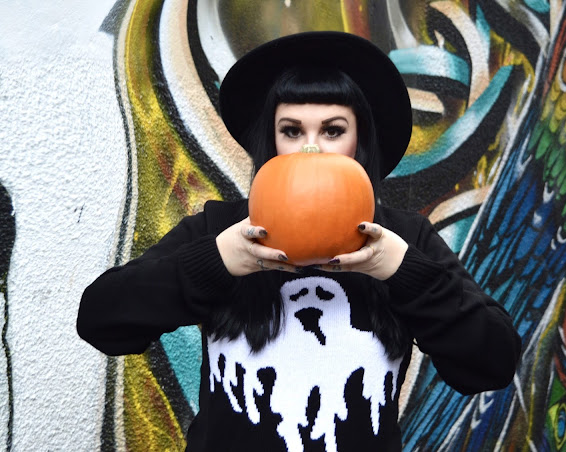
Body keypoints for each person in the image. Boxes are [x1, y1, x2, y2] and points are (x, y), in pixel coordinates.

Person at [77, 31, 521, 452]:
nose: (311, 149)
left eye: (333, 131)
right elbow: (101, 318)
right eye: (292, 131)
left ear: (359, 141)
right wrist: (216, 261)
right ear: (272, 141)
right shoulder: (223, 229)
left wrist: (403, 271)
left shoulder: (402, 239)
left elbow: (493, 363)